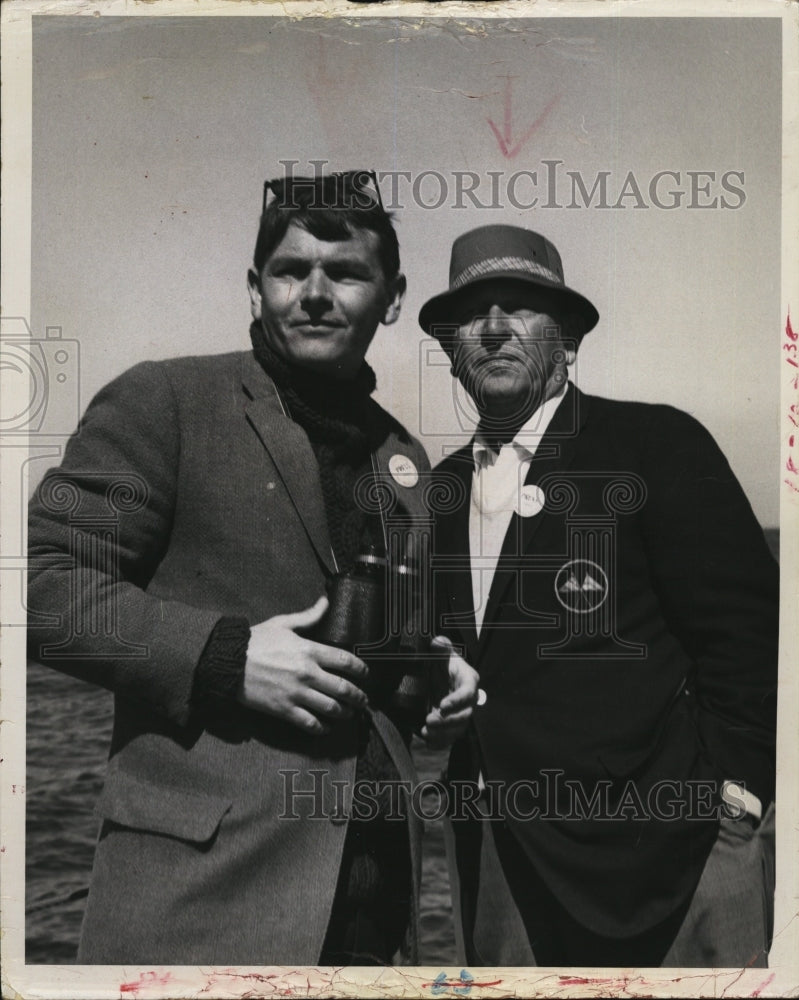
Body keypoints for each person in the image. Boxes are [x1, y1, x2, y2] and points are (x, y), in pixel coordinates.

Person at [26, 171, 477, 966]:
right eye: (289, 270)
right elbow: (44, 590)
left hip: (373, 915)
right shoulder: (164, 400)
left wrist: (434, 678)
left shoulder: (404, 460)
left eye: (344, 273)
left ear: (394, 296)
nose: (313, 293)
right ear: (253, 287)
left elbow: (380, 677)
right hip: (198, 910)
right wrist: (226, 659)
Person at [420, 224, 778, 967]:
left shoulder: (658, 446)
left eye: (518, 306)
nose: (491, 329)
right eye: (472, 314)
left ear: (571, 340)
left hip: (670, 861)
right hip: (499, 859)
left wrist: (737, 800)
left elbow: (751, 634)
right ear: (452, 352)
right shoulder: (439, 489)